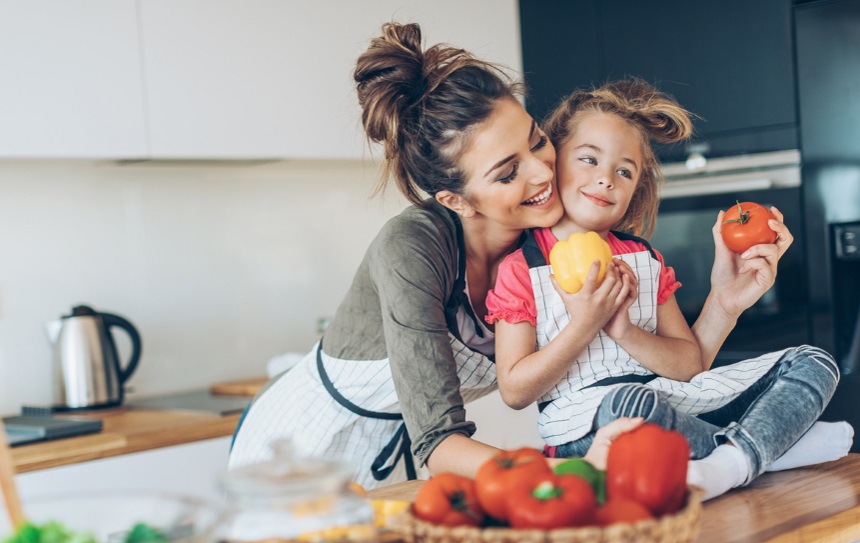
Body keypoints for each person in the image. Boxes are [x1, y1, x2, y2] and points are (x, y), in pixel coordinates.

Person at [229, 23, 804, 490]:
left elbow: (679, 359)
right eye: (508, 172)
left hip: (417, 463)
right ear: (456, 199)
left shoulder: (556, 236)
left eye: (535, 140)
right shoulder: (413, 249)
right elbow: (439, 440)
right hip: (300, 451)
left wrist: (726, 304)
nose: (541, 172)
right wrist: (576, 474)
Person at [486, 80, 851, 500]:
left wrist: (625, 331)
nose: (605, 179)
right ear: (553, 164)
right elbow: (514, 390)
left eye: (624, 171)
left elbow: (688, 365)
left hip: (670, 398)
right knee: (633, 405)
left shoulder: (645, 258)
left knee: (814, 362)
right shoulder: (522, 268)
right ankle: (762, 451)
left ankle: (732, 460)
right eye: (589, 159)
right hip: (586, 424)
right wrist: (585, 325)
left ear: (635, 188)